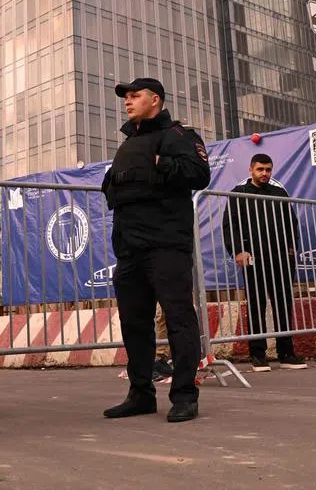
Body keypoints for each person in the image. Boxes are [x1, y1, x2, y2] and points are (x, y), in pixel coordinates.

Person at [101, 77, 211, 423]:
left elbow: (199, 174)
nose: (128, 101)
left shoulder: (179, 136)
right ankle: (141, 393)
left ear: (156, 100)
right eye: (126, 97)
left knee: (179, 319)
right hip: (130, 248)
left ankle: (184, 395)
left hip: (166, 245)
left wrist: (163, 164)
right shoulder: (128, 144)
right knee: (135, 324)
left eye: (135, 96)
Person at [222, 154, 306, 371]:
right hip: (253, 258)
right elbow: (230, 225)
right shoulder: (238, 194)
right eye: (260, 169)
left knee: (283, 304)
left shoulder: (279, 193)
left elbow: (291, 222)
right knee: (256, 305)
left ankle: (286, 353)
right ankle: (258, 355)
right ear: (251, 169)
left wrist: (290, 246)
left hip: (280, 259)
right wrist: (238, 251)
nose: (265, 174)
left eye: (268, 169)